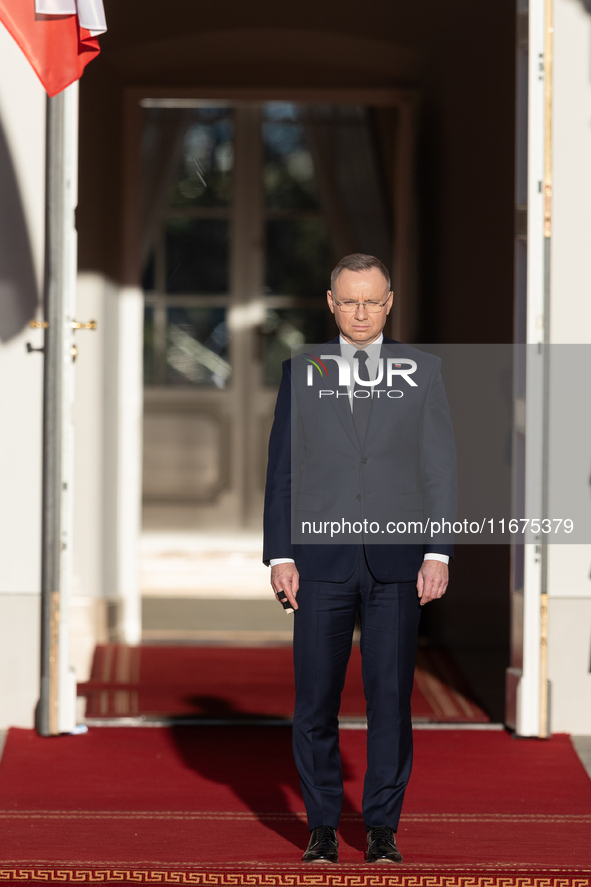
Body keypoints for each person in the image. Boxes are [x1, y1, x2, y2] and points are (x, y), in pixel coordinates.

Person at [263, 253, 457, 864]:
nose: (362, 312)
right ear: (330, 302)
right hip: (319, 562)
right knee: (315, 701)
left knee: (391, 701)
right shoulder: (301, 371)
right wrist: (279, 555)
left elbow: (439, 470)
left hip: (398, 563)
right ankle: (322, 825)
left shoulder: (423, 373)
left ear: (390, 301)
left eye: (373, 300)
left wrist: (438, 550)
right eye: (350, 300)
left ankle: (382, 829)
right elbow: (283, 471)